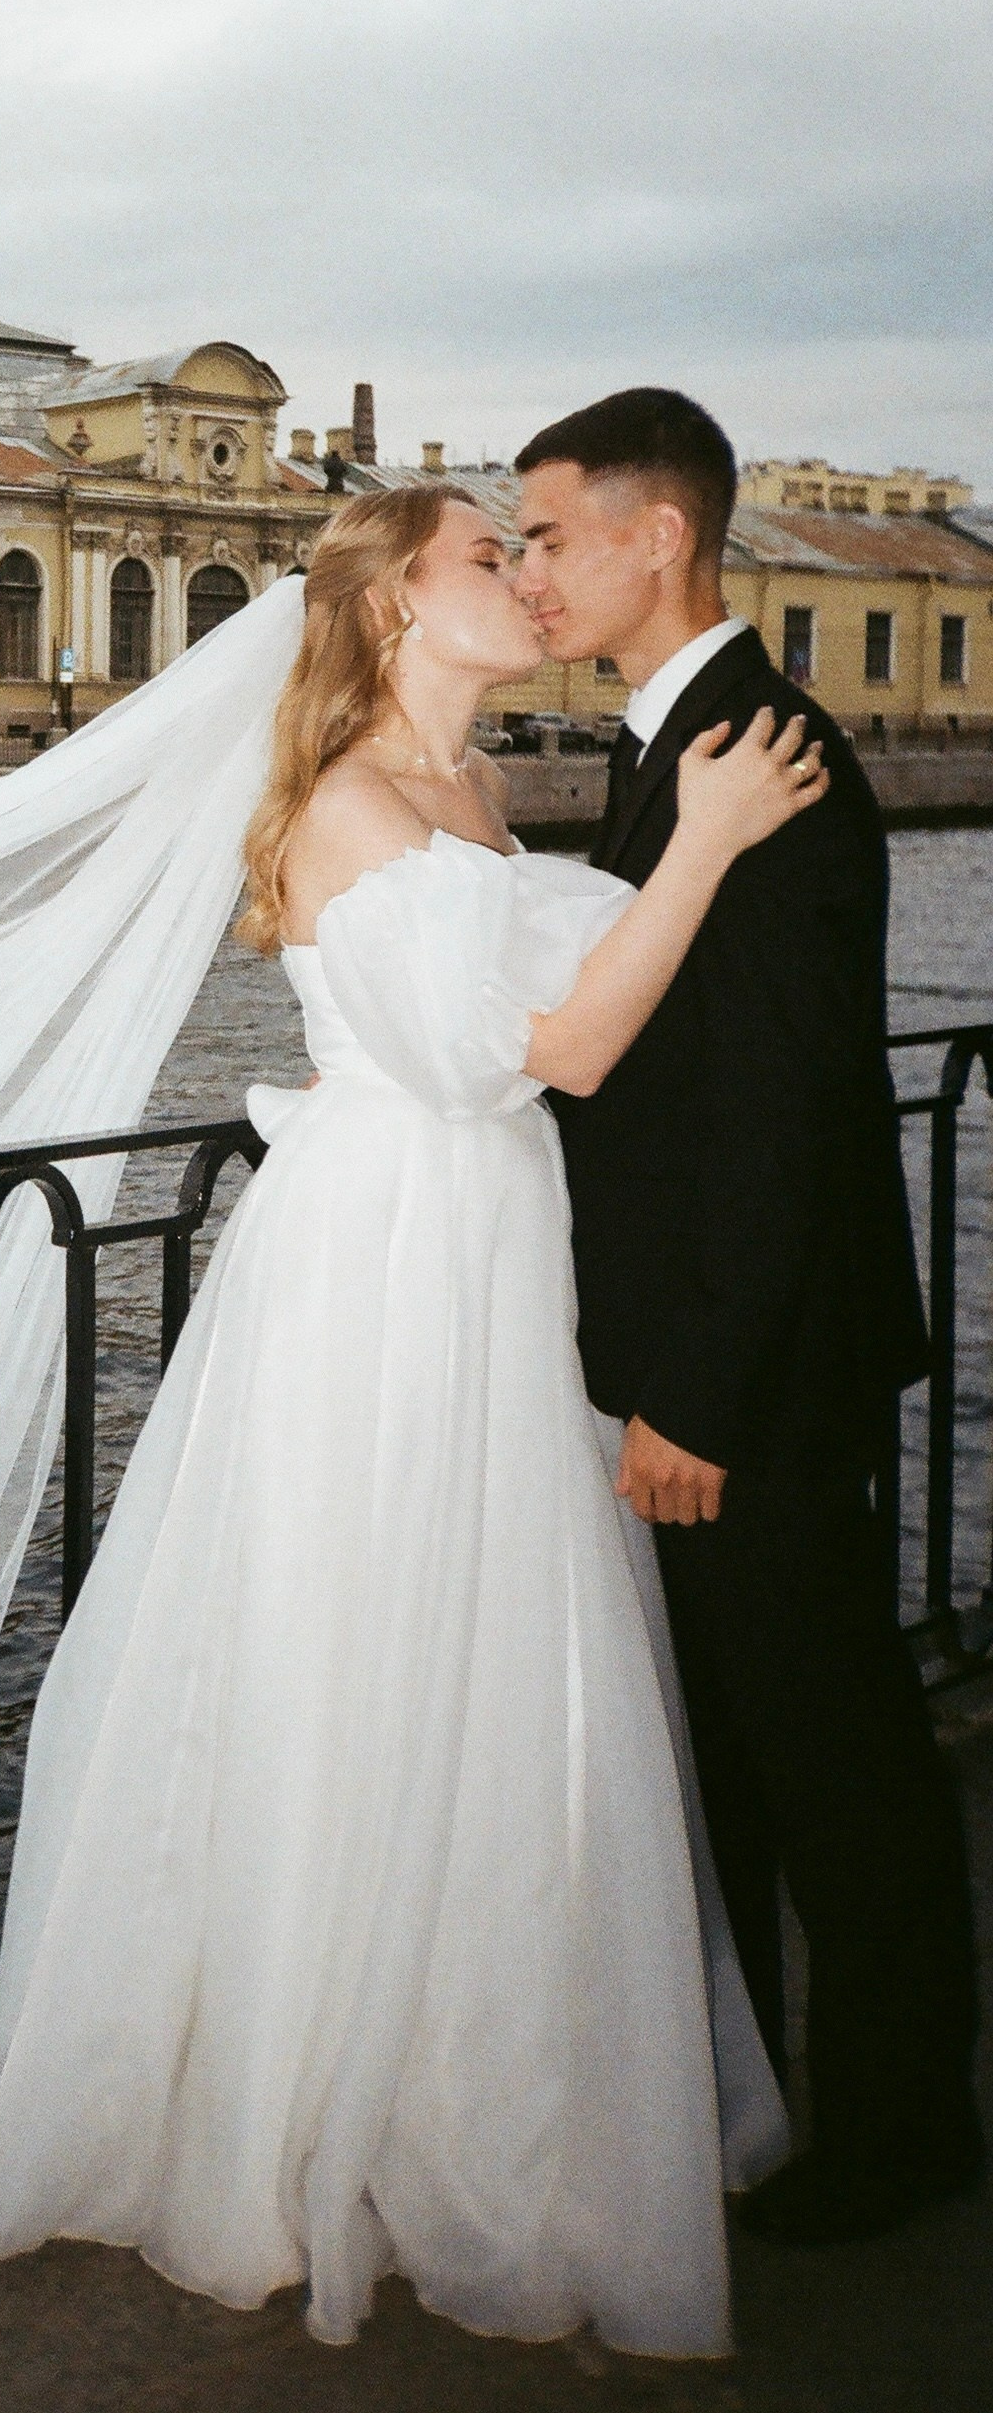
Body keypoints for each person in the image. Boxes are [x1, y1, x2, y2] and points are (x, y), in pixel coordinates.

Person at [0, 483, 820, 2356]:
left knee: (488, 1656)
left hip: (488, 1249)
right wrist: (711, 844)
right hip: (386, 1265)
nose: (521, 577)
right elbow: (561, 1045)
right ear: (395, 611)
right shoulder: (350, 801)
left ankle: (453, 2081)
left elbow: (581, 1003)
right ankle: (294, 2100)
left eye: (524, 550)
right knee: (357, 1643)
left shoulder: (477, 795)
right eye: (484, 559)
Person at [513, 389, 981, 2247]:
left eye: (549, 534)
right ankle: (775, 2105)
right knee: (746, 1755)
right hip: (730, 1354)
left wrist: (693, 1391)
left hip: (751, 1375)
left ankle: (903, 2129)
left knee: (832, 1759)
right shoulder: (686, 742)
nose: (532, 568)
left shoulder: (754, 751)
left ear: (659, 538)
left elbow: (782, 1111)